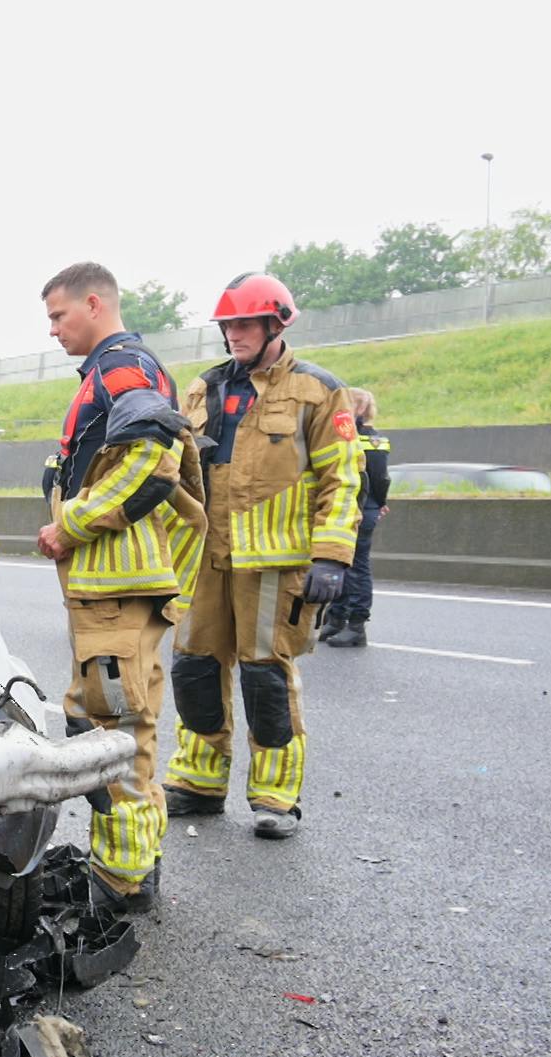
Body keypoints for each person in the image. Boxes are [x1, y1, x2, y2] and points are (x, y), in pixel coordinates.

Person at [161, 273, 362, 840]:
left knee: (265, 677)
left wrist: (332, 556)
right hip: (204, 558)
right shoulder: (202, 390)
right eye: (227, 325)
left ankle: (275, 796)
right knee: (195, 668)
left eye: (244, 324)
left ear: (277, 324)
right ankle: (198, 782)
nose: (233, 334)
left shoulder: (318, 391)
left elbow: (343, 477)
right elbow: (176, 468)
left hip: (273, 564)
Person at [35, 263, 206, 913]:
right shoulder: (111, 371)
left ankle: (121, 878)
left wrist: (69, 525)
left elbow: (152, 466)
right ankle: (133, 861)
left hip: (115, 580)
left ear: (94, 303)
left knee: (107, 727)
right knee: (110, 718)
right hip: (109, 583)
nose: (52, 331)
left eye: (59, 316)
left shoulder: (122, 367)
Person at [322, 388, 390, 647]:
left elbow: (379, 477)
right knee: (339, 563)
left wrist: (378, 503)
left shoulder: (372, 441)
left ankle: (357, 624)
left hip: (362, 508)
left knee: (357, 568)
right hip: (349, 506)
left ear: (359, 409)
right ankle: (336, 617)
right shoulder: (345, 435)